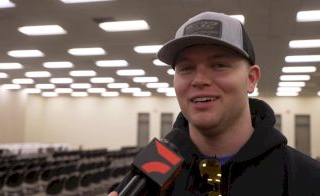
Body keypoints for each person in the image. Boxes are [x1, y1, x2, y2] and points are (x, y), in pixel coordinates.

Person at [109, 11, 320, 196]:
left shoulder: (306, 178)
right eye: (186, 68)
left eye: (219, 65)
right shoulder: (149, 173)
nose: (199, 80)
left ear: (251, 79)